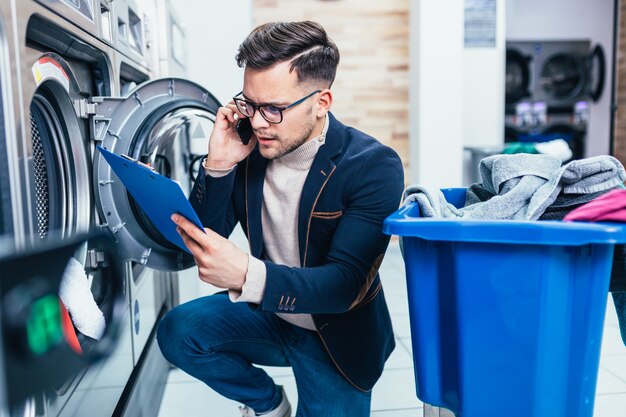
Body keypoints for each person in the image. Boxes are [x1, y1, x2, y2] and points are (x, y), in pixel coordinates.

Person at [157, 20, 404, 417]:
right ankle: (270, 405)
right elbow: (202, 239)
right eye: (249, 103)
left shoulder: (374, 166)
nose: (256, 121)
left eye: (273, 109)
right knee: (178, 331)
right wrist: (218, 166)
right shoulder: (250, 147)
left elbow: (343, 285)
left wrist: (245, 275)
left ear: (321, 102)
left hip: (335, 335)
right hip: (270, 314)